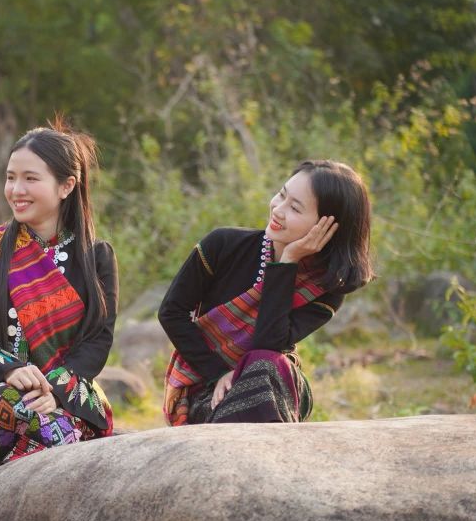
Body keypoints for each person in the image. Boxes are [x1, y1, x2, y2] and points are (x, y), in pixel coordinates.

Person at [0, 122, 118, 477]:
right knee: (10, 410)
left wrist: (55, 391)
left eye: (30, 179)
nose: (16, 190)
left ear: (66, 186)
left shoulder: (96, 256)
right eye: (11, 178)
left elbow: (97, 340)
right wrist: (13, 370)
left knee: (52, 429)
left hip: (65, 395)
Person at [159, 159, 374, 425]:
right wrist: (220, 374)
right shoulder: (222, 245)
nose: (278, 209)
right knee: (236, 405)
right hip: (205, 381)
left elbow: (266, 345)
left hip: (274, 381)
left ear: (327, 228)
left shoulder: (326, 288)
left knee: (265, 364)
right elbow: (171, 312)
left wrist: (287, 264)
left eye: (295, 208)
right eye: (281, 195)